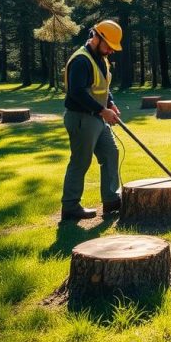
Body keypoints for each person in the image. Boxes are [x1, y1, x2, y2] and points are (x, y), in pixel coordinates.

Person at [61, 20, 124, 220]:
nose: (111, 51)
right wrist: (102, 111)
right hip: (81, 118)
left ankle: (111, 201)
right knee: (80, 161)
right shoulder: (81, 60)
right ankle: (70, 207)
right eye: (109, 46)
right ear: (96, 38)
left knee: (110, 153)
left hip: (96, 117)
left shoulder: (101, 59)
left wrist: (110, 103)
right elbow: (77, 92)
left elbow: (103, 85)